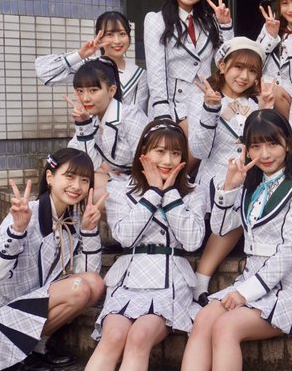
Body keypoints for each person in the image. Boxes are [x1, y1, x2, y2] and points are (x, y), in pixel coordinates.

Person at [181, 109, 292, 371]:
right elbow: (220, 228)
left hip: (290, 290)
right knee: (203, 318)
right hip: (250, 284)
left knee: (225, 327)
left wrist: (245, 293)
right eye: (256, 146)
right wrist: (230, 188)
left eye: (272, 144)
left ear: (287, 144)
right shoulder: (250, 186)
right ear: (247, 149)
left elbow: (289, 250)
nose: (265, 154)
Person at [0, 148, 105, 371]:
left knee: (94, 285)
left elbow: (89, 274)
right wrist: (17, 231)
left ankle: (35, 348)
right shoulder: (26, 214)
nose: (77, 186)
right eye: (69, 176)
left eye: (84, 180)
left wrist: (89, 231)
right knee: (80, 288)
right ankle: (18, 354)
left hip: (29, 301)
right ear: (50, 177)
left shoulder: (74, 220)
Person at [85, 119, 207, 371]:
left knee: (139, 337)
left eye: (175, 153)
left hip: (170, 279)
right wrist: (152, 193)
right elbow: (125, 236)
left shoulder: (194, 191)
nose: (168, 160)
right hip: (129, 278)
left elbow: (193, 241)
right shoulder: (120, 190)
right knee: (113, 336)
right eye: (160, 151)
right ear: (144, 153)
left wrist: (169, 193)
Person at [188, 37, 275, 305]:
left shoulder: (257, 103)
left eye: (252, 71)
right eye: (238, 67)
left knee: (247, 197)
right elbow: (199, 150)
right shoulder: (202, 97)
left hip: (248, 182)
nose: (244, 76)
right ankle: (201, 279)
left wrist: (265, 113)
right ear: (223, 66)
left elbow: (266, 152)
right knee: (237, 197)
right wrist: (210, 109)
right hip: (213, 186)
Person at [144, 0, 233, 123]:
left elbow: (226, 61)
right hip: (172, 107)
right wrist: (162, 113)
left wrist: (225, 25)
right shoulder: (156, 20)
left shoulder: (210, 22)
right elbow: (156, 71)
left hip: (205, 104)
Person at [35, 11, 149, 113]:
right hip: (89, 129)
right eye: (109, 34)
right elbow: (44, 72)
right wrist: (80, 55)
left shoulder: (140, 74)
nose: (117, 41)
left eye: (122, 34)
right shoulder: (89, 65)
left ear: (129, 37)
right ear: (99, 38)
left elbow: (140, 114)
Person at [64, 57, 148, 196]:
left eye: (93, 90)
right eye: (80, 91)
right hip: (121, 179)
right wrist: (83, 124)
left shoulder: (130, 116)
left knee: (89, 192)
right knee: (75, 182)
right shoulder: (92, 120)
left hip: (144, 184)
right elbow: (88, 165)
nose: (85, 98)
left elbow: (149, 163)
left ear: (112, 90)